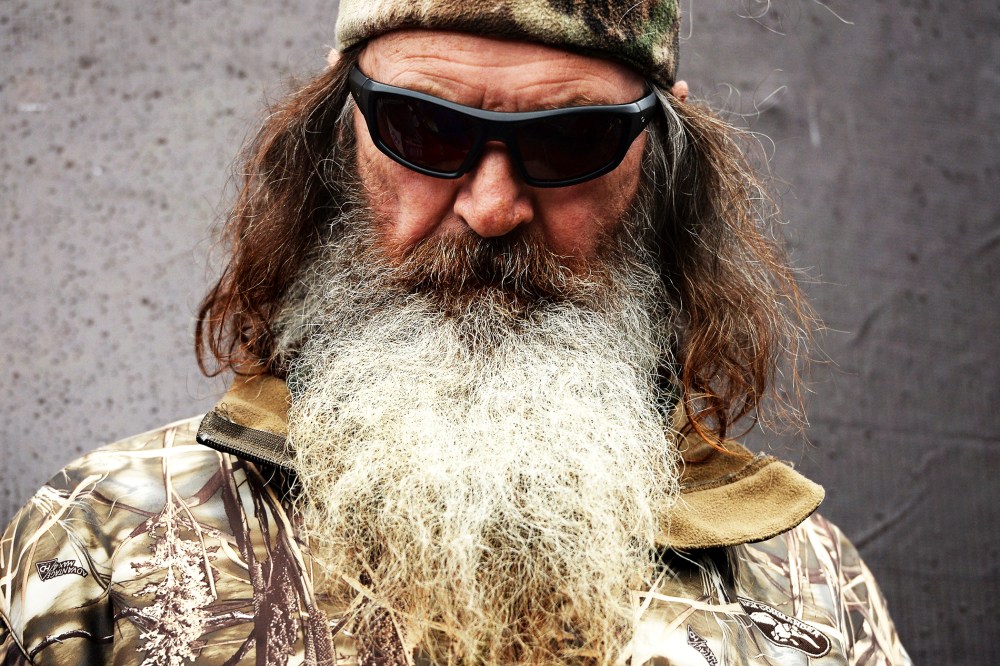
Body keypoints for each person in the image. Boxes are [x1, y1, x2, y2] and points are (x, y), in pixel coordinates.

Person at [0, 1, 912, 664]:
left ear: (662, 162)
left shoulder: (809, 595)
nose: (492, 207)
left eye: (570, 144)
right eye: (423, 130)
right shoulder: (105, 551)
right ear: (336, 137)